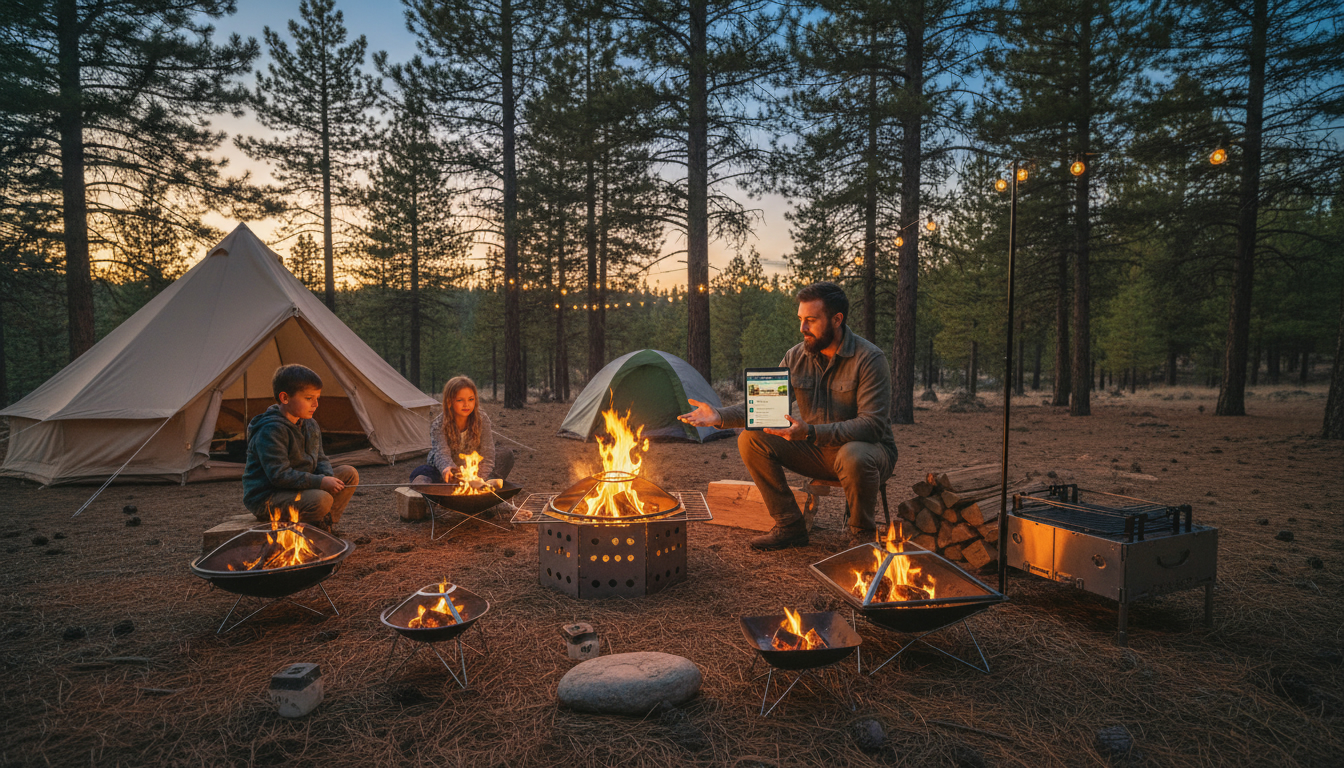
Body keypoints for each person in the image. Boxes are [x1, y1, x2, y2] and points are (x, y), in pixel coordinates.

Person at [680, 282, 897, 551]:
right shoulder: (796, 356)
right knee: (750, 439)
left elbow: (872, 426)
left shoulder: (870, 359)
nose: (802, 328)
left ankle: (862, 535)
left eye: (811, 320)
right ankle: (790, 526)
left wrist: (810, 432)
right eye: (800, 319)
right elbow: (762, 406)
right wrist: (718, 416)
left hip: (869, 454)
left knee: (853, 455)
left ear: (837, 319)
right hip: (817, 451)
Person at [242, 364, 360, 532]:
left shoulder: (310, 424)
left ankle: (325, 526)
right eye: (309, 398)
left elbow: (320, 458)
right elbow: (279, 476)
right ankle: (310, 530)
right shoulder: (270, 430)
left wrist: (326, 478)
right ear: (285, 398)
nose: (316, 404)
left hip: (299, 487)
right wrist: (320, 482)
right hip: (268, 497)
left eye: (317, 398)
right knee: (322, 499)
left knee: (348, 474)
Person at [410, 375, 514, 489]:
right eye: (460, 400)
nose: (466, 404)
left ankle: (484, 485)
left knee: (506, 455)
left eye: (471, 399)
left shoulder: (482, 419)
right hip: (447, 470)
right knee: (421, 472)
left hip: (473, 468)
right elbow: (442, 453)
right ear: (449, 401)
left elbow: (487, 453)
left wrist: (479, 479)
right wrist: (449, 469)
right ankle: (442, 487)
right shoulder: (439, 424)